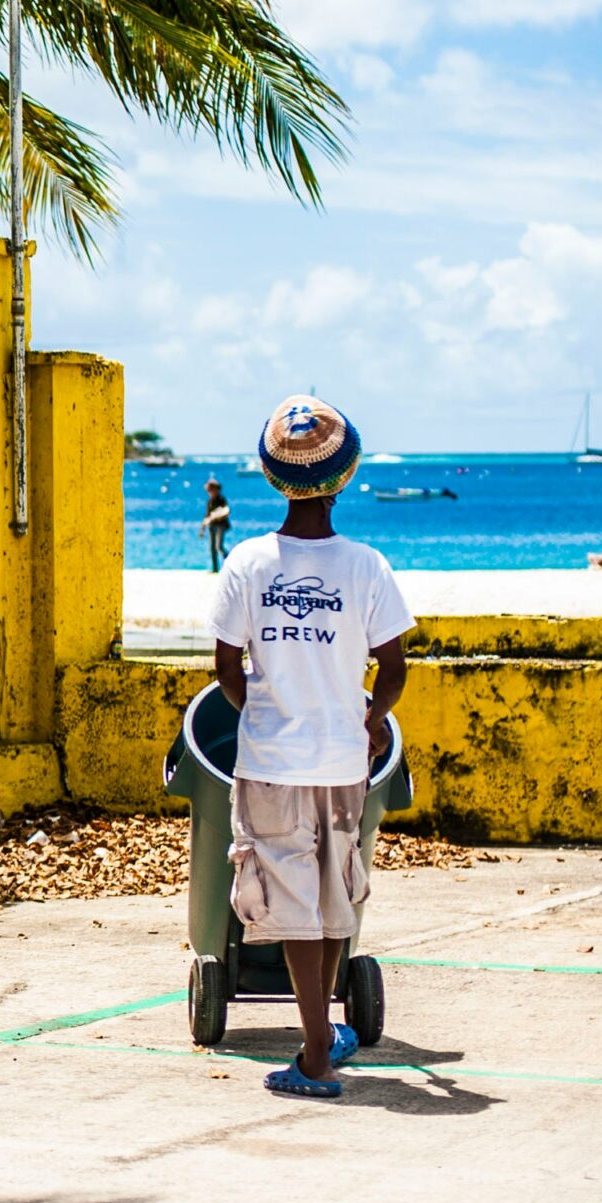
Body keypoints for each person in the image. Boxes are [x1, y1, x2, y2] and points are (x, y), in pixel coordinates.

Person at [210, 395, 411, 1099]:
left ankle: (318, 1055)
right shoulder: (365, 566)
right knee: (330, 895)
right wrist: (370, 719)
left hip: (272, 763)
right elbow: (393, 669)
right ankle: (324, 1032)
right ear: (347, 475)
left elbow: (227, 667)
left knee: (295, 900)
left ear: (271, 477)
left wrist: (261, 709)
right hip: (342, 762)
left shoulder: (248, 562)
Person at [200, 478, 232, 572]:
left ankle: (230, 564)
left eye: (211, 490)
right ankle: (215, 569)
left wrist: (217, 515)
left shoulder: (221, 499)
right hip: (212, 525)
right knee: (212, 547)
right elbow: (207, 516)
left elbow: (226, 511)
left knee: (219, 546)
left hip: (221, 525)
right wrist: (202, 528)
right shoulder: (210, 501)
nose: (210, 492)